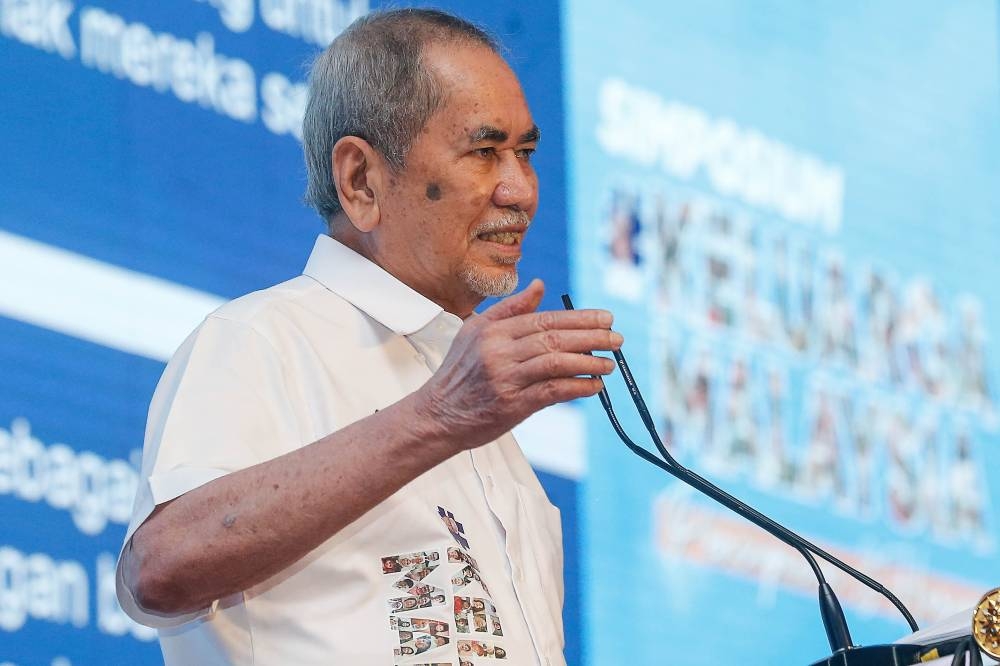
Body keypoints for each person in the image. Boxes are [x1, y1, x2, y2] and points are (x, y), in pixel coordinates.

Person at [115, 8, 621, 666]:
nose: (520, 190)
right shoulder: (265, 338)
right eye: (484, 152)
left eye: (524, 154)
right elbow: (159, 568)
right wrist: (437, 418)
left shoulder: (485, 424)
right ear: (361, 180)